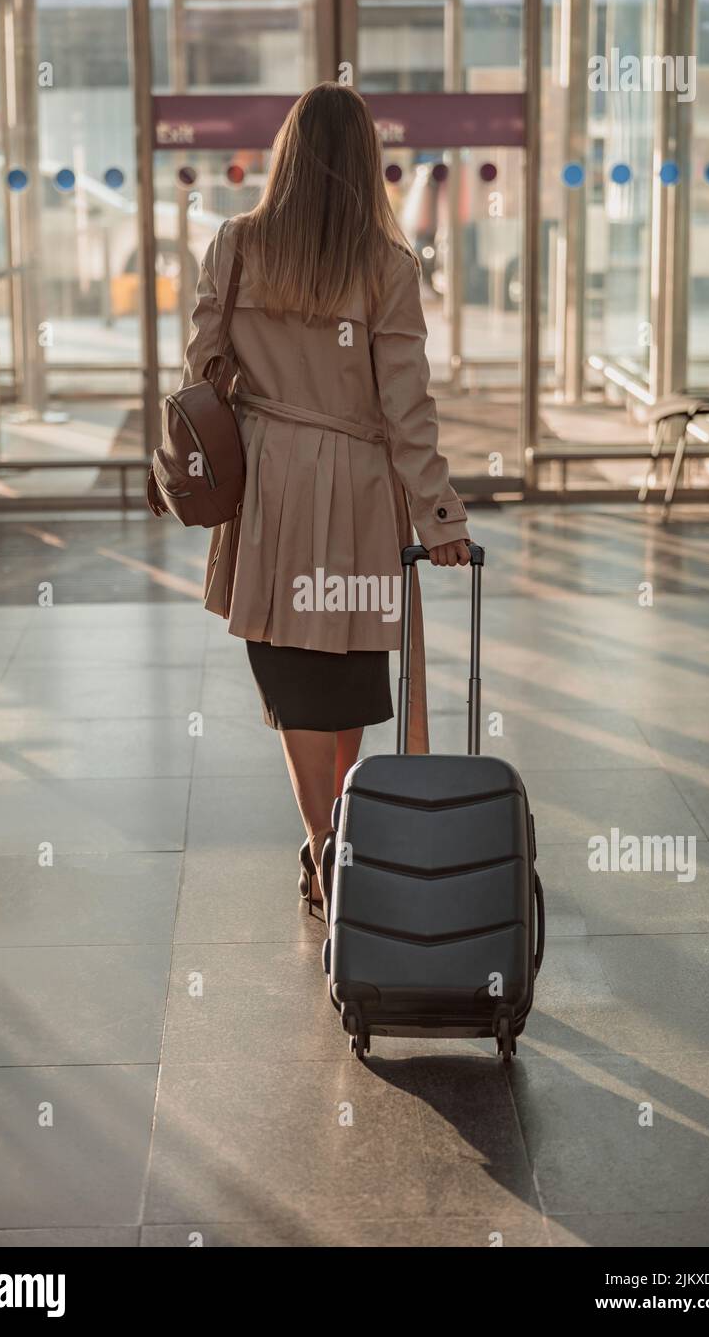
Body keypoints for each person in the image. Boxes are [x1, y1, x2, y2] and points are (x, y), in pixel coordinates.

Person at [180, 82, 470, 912]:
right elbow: (407, 406)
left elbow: (200, 373)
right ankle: (343, 838)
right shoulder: (387, 267)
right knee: (346, 669)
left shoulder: (234, 245)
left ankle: (323, 843)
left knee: (294, 675)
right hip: (358, 490)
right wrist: (439, 515)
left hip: (270, 487)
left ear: (286, 156)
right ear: (367, 164)